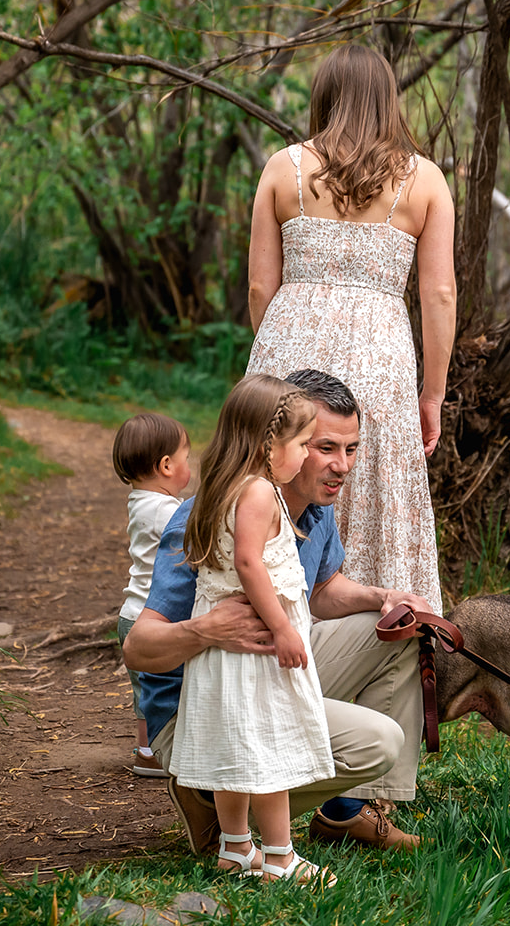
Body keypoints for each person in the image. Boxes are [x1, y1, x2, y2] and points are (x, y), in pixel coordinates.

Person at [122, 369, 431, 855]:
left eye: (351, 449)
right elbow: (138, 650)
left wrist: (383, 597)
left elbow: (320, 590)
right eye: (323, 446)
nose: (342, 465)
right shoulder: (208, 514)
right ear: (278, 440)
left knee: (398, 631)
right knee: (378, 742)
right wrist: (205, 630)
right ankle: (215, 800)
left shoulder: (314, 504)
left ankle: (347, 812)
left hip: (266, 666)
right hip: (202, 703)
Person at [246, 43, 456, 615]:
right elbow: (439, 295)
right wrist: (432, 394)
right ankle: (379, 633)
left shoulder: (283, 167)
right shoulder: (426, 180)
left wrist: (275, 346)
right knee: (370, 487)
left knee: (275, 479)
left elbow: (261, 287)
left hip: (288, 347)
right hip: (380, 358)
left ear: (324, 98)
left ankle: (264, 626)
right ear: (388, 101)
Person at [166, 374, 335, 882]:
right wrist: (282, 627)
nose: (306, 456)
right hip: (258, 646)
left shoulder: (224, 486)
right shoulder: (260, 491)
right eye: (302, 444)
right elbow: (248, 562)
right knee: (270, 750)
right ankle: (281, 856)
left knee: (236, 748)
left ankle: (237, 846)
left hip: (229, 652)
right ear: (268, 444)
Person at [111, 412, 191, 778]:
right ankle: (158, 750)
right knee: (165, 685)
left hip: (131, 613)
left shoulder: (139, 501)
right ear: (166, 465)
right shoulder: (167, 510)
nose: (190, 465)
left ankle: (146, 749)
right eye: (187, 457)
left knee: (144, 690)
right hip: (153, 617)